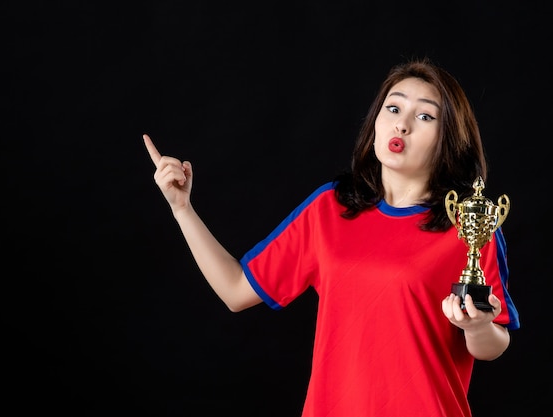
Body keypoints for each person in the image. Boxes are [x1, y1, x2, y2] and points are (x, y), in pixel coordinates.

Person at [143, 57, 520, 417]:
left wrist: (477, 326)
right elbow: (235, 290)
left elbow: (494, 345)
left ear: (449, 138)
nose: (401, 125)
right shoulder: (330, 209)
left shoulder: (468, 225)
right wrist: (182, 209)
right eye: (393, 108)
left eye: (424, 116)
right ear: (375, 120)